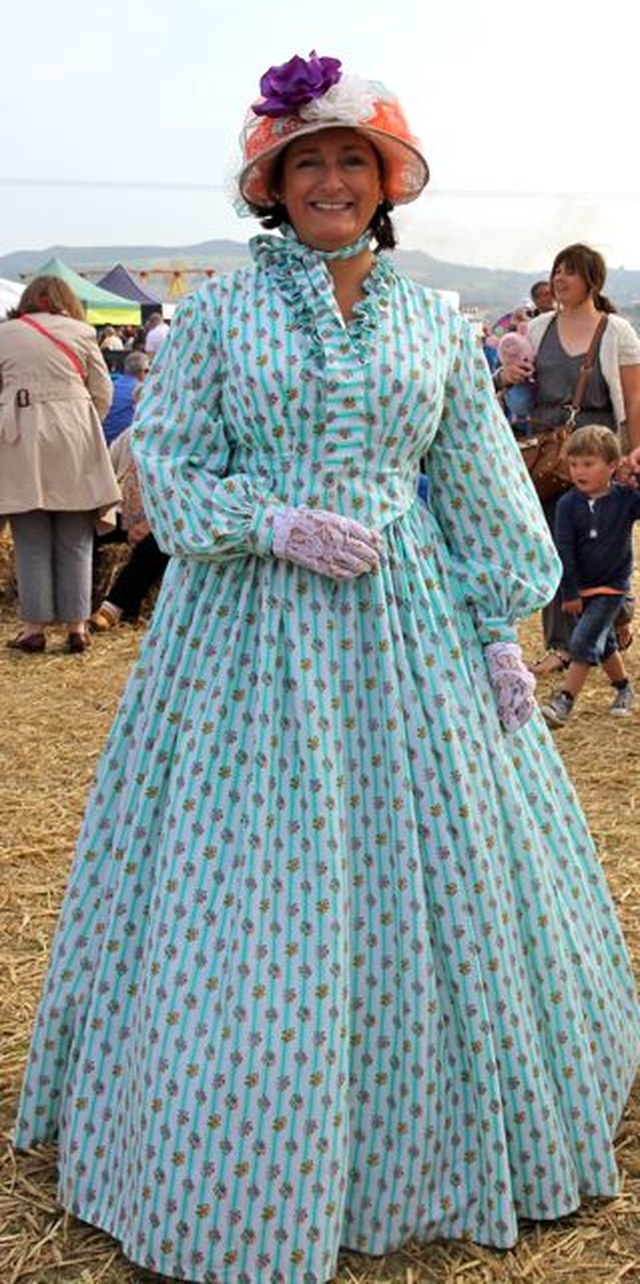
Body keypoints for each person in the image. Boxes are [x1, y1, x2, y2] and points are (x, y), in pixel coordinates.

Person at [13, 52, 640, 1283]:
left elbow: (471, 487)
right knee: (253, 880)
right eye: (309, 163)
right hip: (245, 637)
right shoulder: (227, 319)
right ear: (272, 184)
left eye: (354, 160)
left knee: (439, 873)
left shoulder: (431, 326)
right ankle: (237, 1145)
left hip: (404, 631)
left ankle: (419, 1140)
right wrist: (273, 521)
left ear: (387, 179)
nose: (333, 181)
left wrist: (493, 636)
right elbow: (173, 468)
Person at [499, 243, 640, 675]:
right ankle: (561, 644)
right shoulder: (539, 328)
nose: (559, 279)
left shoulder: (617, 331)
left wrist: (634, 451)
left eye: (569, 272)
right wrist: (511, 377)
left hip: (598, 451)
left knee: (601, 546)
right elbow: (521, 385)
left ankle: (614, 617)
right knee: (553, 548)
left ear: (591, 279)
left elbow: (633, 399)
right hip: (548, 455)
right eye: (556, 270)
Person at [0, 275, 119, 653]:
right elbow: (103, 392)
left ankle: (34, 629)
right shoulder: (82, 332)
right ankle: (77, 627)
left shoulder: (6, 333)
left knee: (31, 536)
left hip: (21, 436)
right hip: (74, 434)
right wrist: (83, 421)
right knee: (76, 537)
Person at [541, 425, 639, 726]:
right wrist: (569, 593)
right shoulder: (568, 505)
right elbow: (564, 551)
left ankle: (563, 702)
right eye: (573, 464)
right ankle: (624, 689)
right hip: (581, 588)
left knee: (582, 641)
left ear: (612, 465)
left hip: (612, 586)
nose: (578, 471)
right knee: (604, 641)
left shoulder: (626, 499)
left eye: (588, 464)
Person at [90, 424, 169, 629]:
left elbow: (188, 492)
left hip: (166, 519)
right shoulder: (131, 434)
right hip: (123, 512)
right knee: (82, 532)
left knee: (158, 543)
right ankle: (77, 602)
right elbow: (105, 468)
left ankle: (113, 607)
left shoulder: (181, 437)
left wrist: (153, 522)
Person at [101, 350, 149, 446]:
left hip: (104, 440)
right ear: (143, 371)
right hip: (125, 444)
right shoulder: (142, 391)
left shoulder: (112, 385)